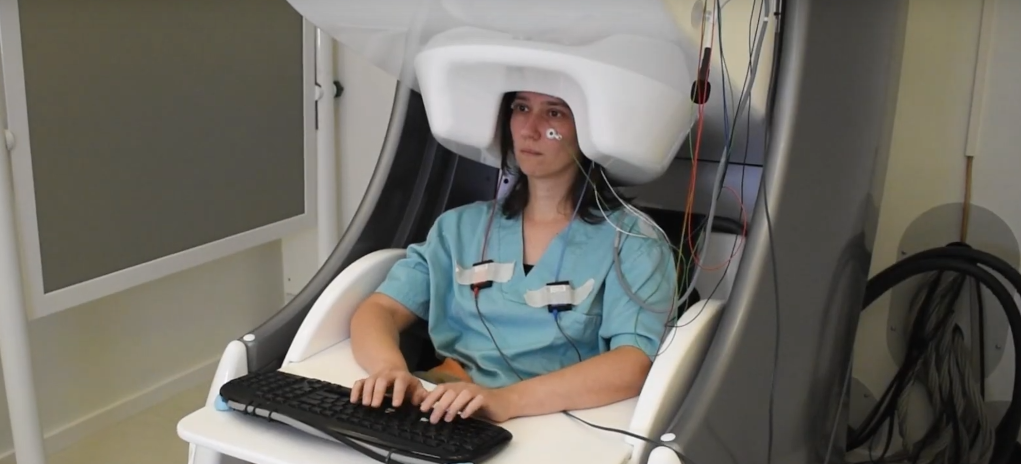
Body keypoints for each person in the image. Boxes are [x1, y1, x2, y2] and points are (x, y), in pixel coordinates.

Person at [347, 90, 676, 425]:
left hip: (558, 419)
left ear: (592, 130)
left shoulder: (633, 242)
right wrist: (390, 368)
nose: (530, 129)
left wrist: (506, 401)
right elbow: (380, 309)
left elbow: (632, 363)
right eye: (521, 108)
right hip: (444, 406)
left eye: (555, 113)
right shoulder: (460, 228)